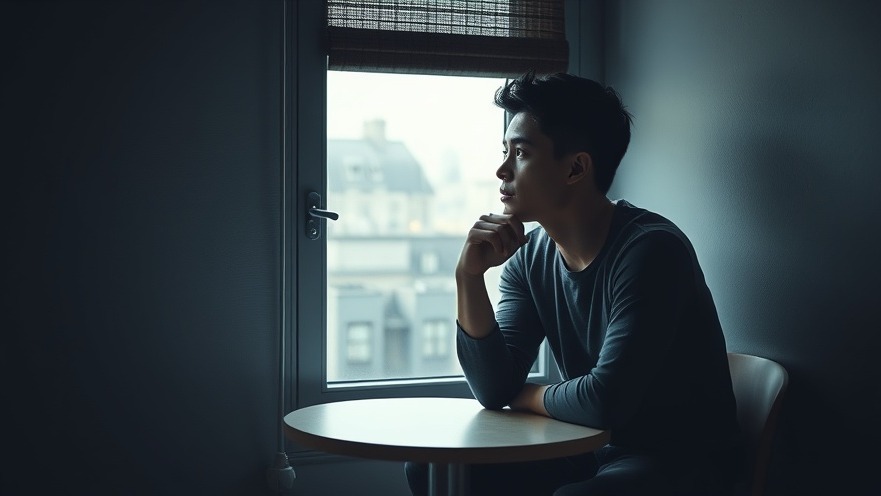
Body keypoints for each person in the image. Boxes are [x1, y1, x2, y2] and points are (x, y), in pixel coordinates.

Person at [405, 72, 743, 495]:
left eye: (521, 153)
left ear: (576, 167)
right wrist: (468, 277)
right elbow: (493, 388)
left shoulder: (653, 251)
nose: (502, 169)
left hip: (680, 461)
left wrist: (524, 394)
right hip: (589, 446)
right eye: (504, 151)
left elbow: (605, 401)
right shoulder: (529, 258)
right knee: (431, 468)